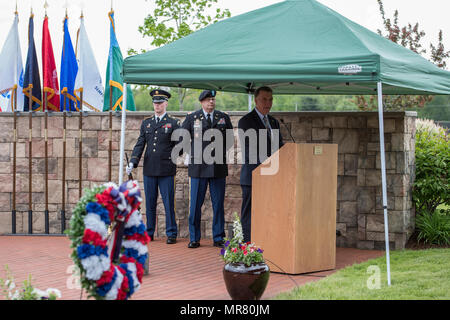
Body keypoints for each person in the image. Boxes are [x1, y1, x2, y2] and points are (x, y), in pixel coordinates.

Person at [181, 90, 234, 248]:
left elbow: (229, 139)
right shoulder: (192, 118)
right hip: (198, 167)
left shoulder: (223, 117)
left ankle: (218, 237)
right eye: (208, 100)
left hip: (217, 167)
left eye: (213, 99)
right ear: (201, 102)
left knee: (218, 204)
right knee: (196, 204)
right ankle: (194, 238)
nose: (211, 102)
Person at [127, 89, 180, 244]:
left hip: (166, 169)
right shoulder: (147, 123)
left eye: (160, 102)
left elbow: (180, 144)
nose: (157, 105)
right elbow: (140, 143)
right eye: (155, 103)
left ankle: (171, 233)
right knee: (150, 202)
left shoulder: (174, 123)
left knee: (168, 203)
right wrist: (133, 161)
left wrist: (175, 157)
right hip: (150, 169)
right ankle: (149, 232)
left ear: (166, 103)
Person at [238, 86, 284, 242]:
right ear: (256, 100)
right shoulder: (246, 121)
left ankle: (266, 244)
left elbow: (280, 147)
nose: (268, 103)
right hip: (253, 177)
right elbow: (253, 147)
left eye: (270, 99)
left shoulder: (274, 122)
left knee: (268, 212)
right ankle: (248, 248)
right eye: (264, 99)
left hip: (272, 177)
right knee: (250, 214)